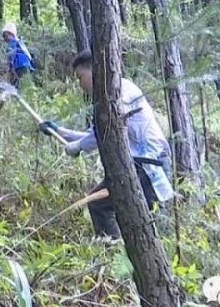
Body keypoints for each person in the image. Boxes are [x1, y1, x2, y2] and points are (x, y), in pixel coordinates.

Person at [39, 50, 174, 239]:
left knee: (107, 207)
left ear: (94, 71)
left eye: (80, 77)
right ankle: (120, 252)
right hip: (141, 164)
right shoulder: (113, 91)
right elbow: (95, 134)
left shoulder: (118, 94)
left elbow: (107, 132)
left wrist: (76, 147)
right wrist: (60, 132)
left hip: (148, 166)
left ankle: (114, 251)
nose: (80, 84)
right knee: (133, 213)